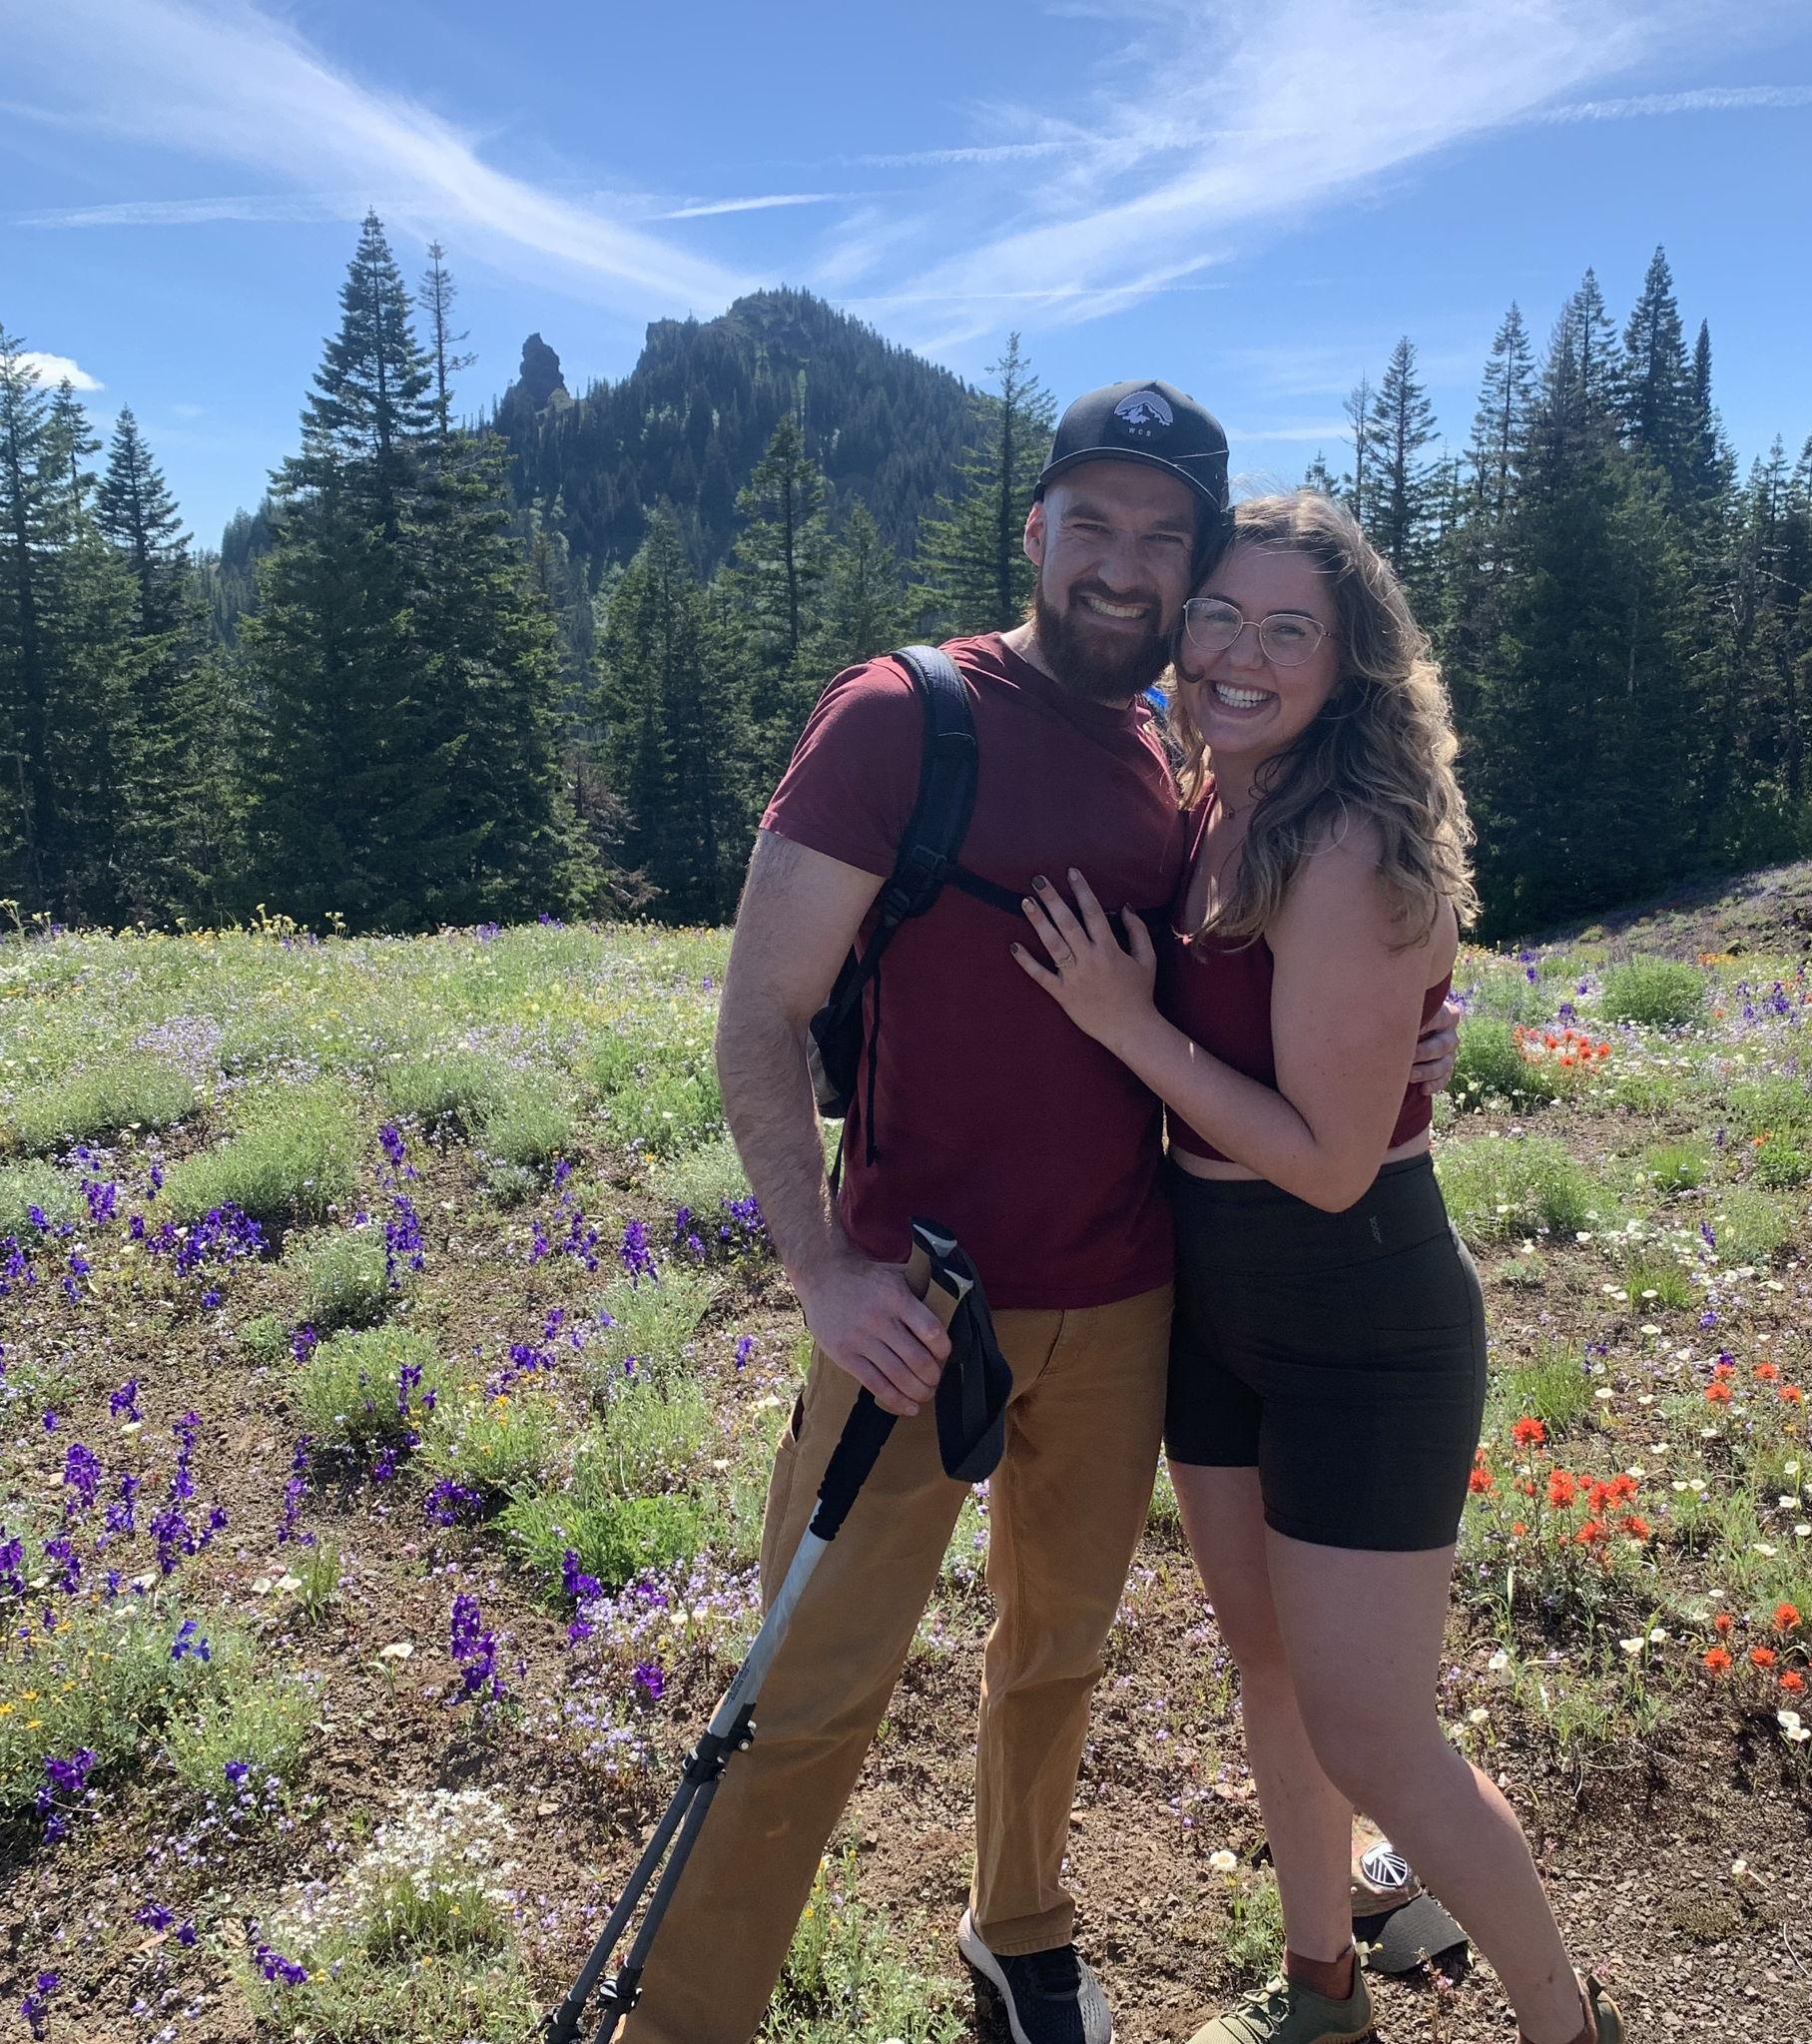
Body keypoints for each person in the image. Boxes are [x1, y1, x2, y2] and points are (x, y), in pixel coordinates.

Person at [619, 389, 1460, 2044]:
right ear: (1037, 531)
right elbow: (758, 1017)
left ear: (1195, 568)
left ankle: (1019, 1930)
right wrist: (822, 1271)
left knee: (1058, 1652)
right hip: (911, 1307)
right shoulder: (900, 719)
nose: (1124, 567)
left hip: (1130, 1294)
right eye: (1094, 525)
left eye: (1164, 539)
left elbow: (1290, 952)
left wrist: (1423, 1023)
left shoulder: (1181, 759)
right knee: (808, 1691)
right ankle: (687, 2022)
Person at [1011, 491, 1626, 2044]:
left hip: (1358, 1313)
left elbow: (1331, 1160)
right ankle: (1322, 1993)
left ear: (1350, 664)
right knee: (1271, 1672)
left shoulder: (1341, 838)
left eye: (1290, 628)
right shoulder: (1215, 801)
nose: (1241, 651)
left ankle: (1569, 2025)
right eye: (1220, 613)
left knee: (1377, 1734)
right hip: (1219, 1300)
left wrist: (1122, 1023)